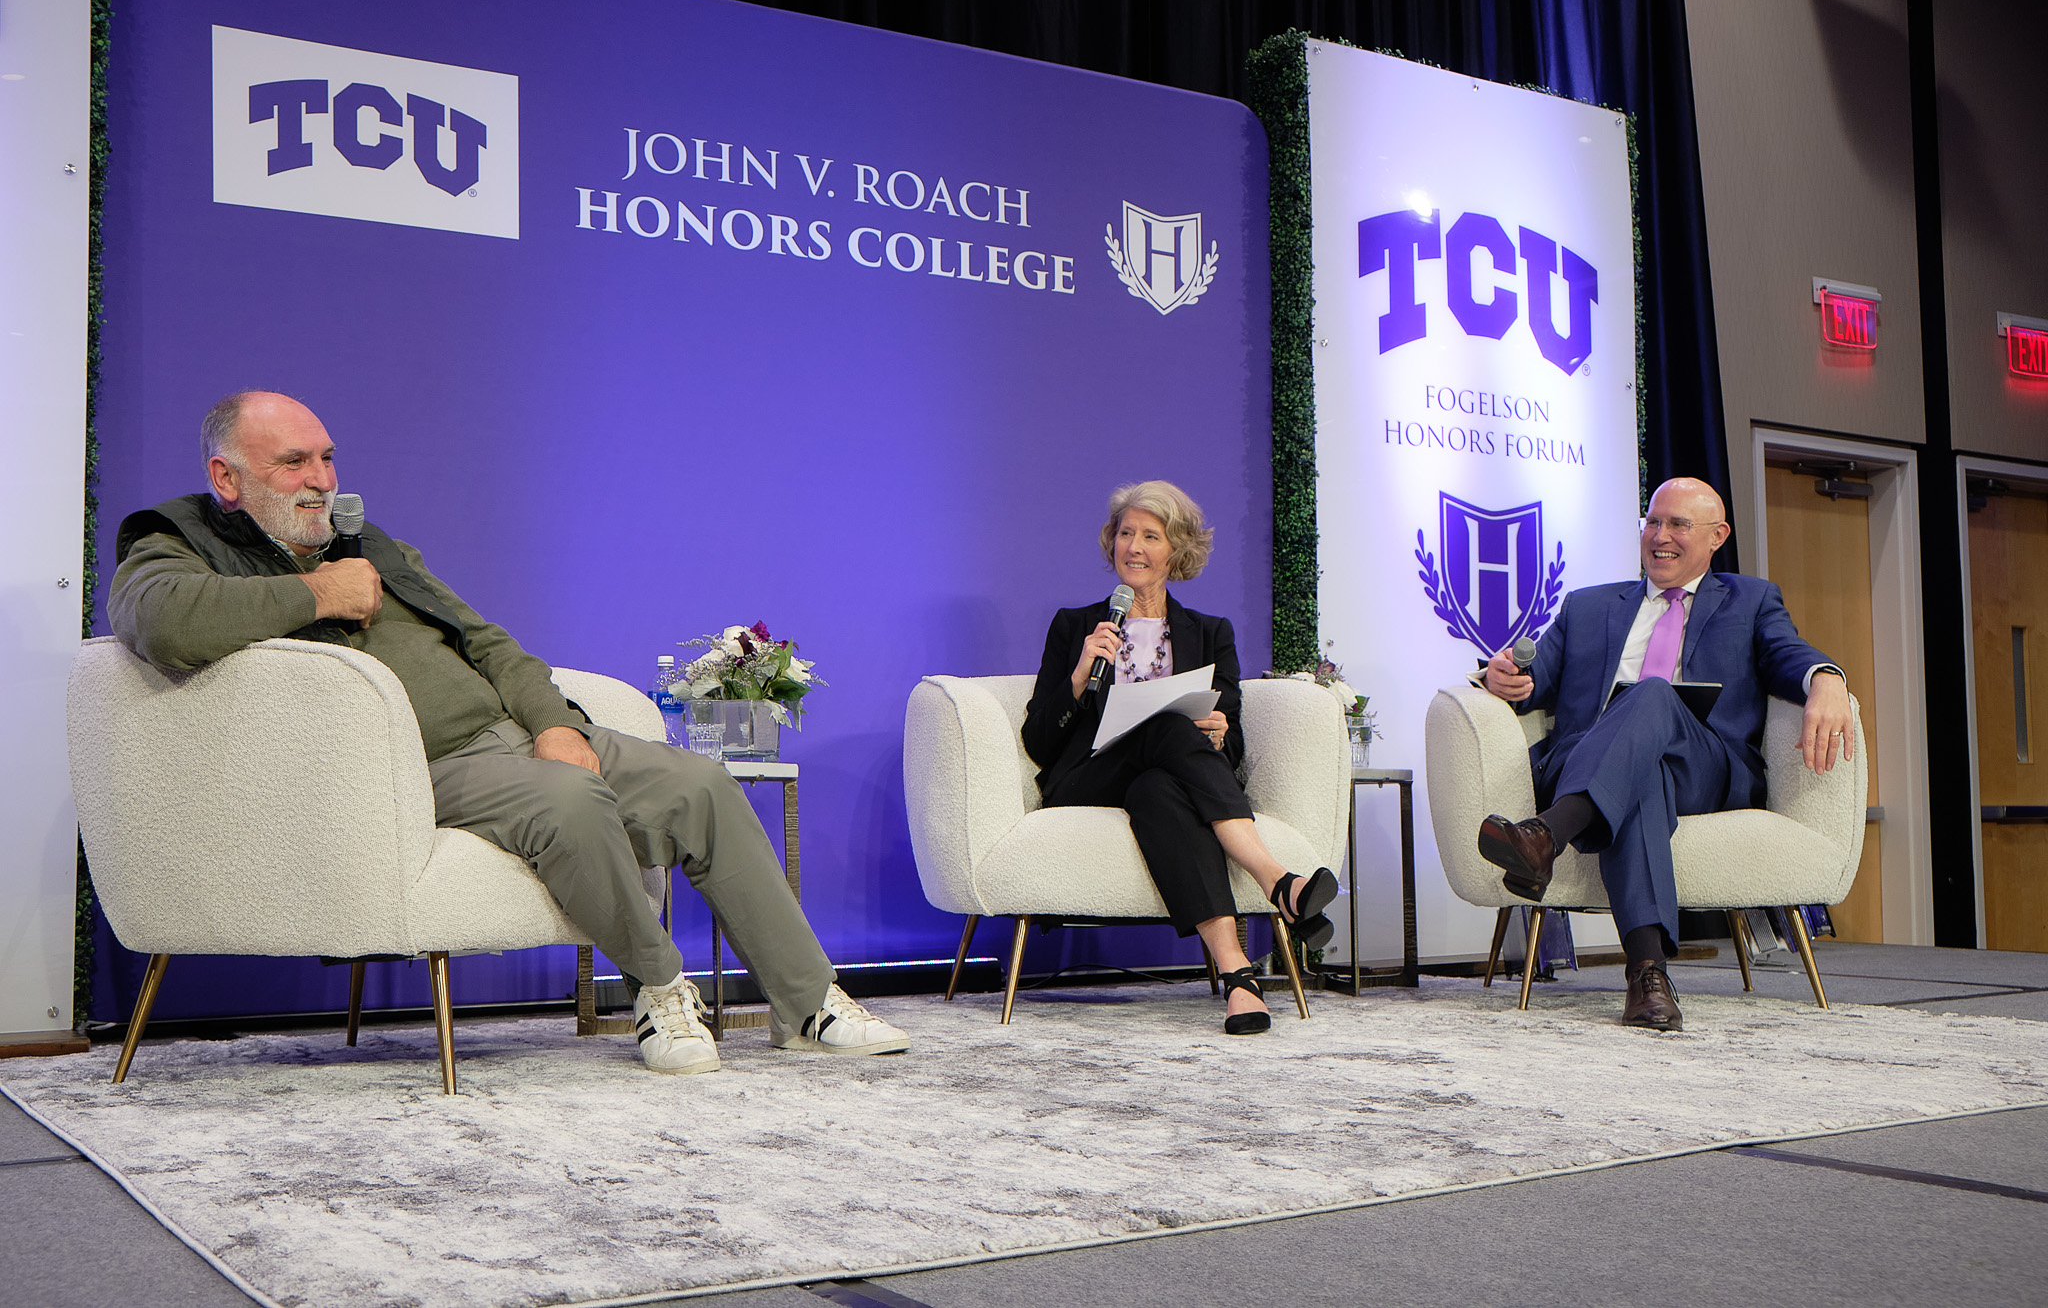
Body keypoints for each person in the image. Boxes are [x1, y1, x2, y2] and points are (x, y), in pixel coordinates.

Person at [109, 390, 908, 1075]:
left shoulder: (368, 542)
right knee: (569, 801)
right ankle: (660, 993)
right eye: (293, 463)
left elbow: (492, 644)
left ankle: (807, 1005)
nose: (320, 480)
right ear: (227, 477)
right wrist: (317, 592)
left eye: (326, 458)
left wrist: (554, 722)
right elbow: (158, 621)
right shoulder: (176, 541)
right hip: (417, 770)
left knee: (700, 783)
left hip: (512, 733)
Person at [1474, 477, 1854, 1032]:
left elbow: (1787, 652)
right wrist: (1501, 677)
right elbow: (1532, 677)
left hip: (1703, 764)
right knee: (1639, 776)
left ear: (1716, 535)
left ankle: (1546, 835)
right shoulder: (1588, 606)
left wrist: (1827, 677)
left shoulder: (1750, 600)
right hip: (1591, 758)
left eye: (1678, 524)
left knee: (1652, 693)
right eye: (1653, 522)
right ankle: (1647, 976)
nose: (1661, 536)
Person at [1021, 480, 1339, 1035]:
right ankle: (1275, 877)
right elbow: (1040, 742)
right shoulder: (1074, 625)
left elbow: (1232, 741)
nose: (1134, 547)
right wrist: (1078, 676)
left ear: (1177, 551)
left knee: (1160, 792)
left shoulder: (1210, 635)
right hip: (1087, 777)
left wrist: (1218, 733)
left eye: (1150, 535)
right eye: (1125, 534)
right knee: (1168, 725)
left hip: (1157, 778)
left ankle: (1238, 977)